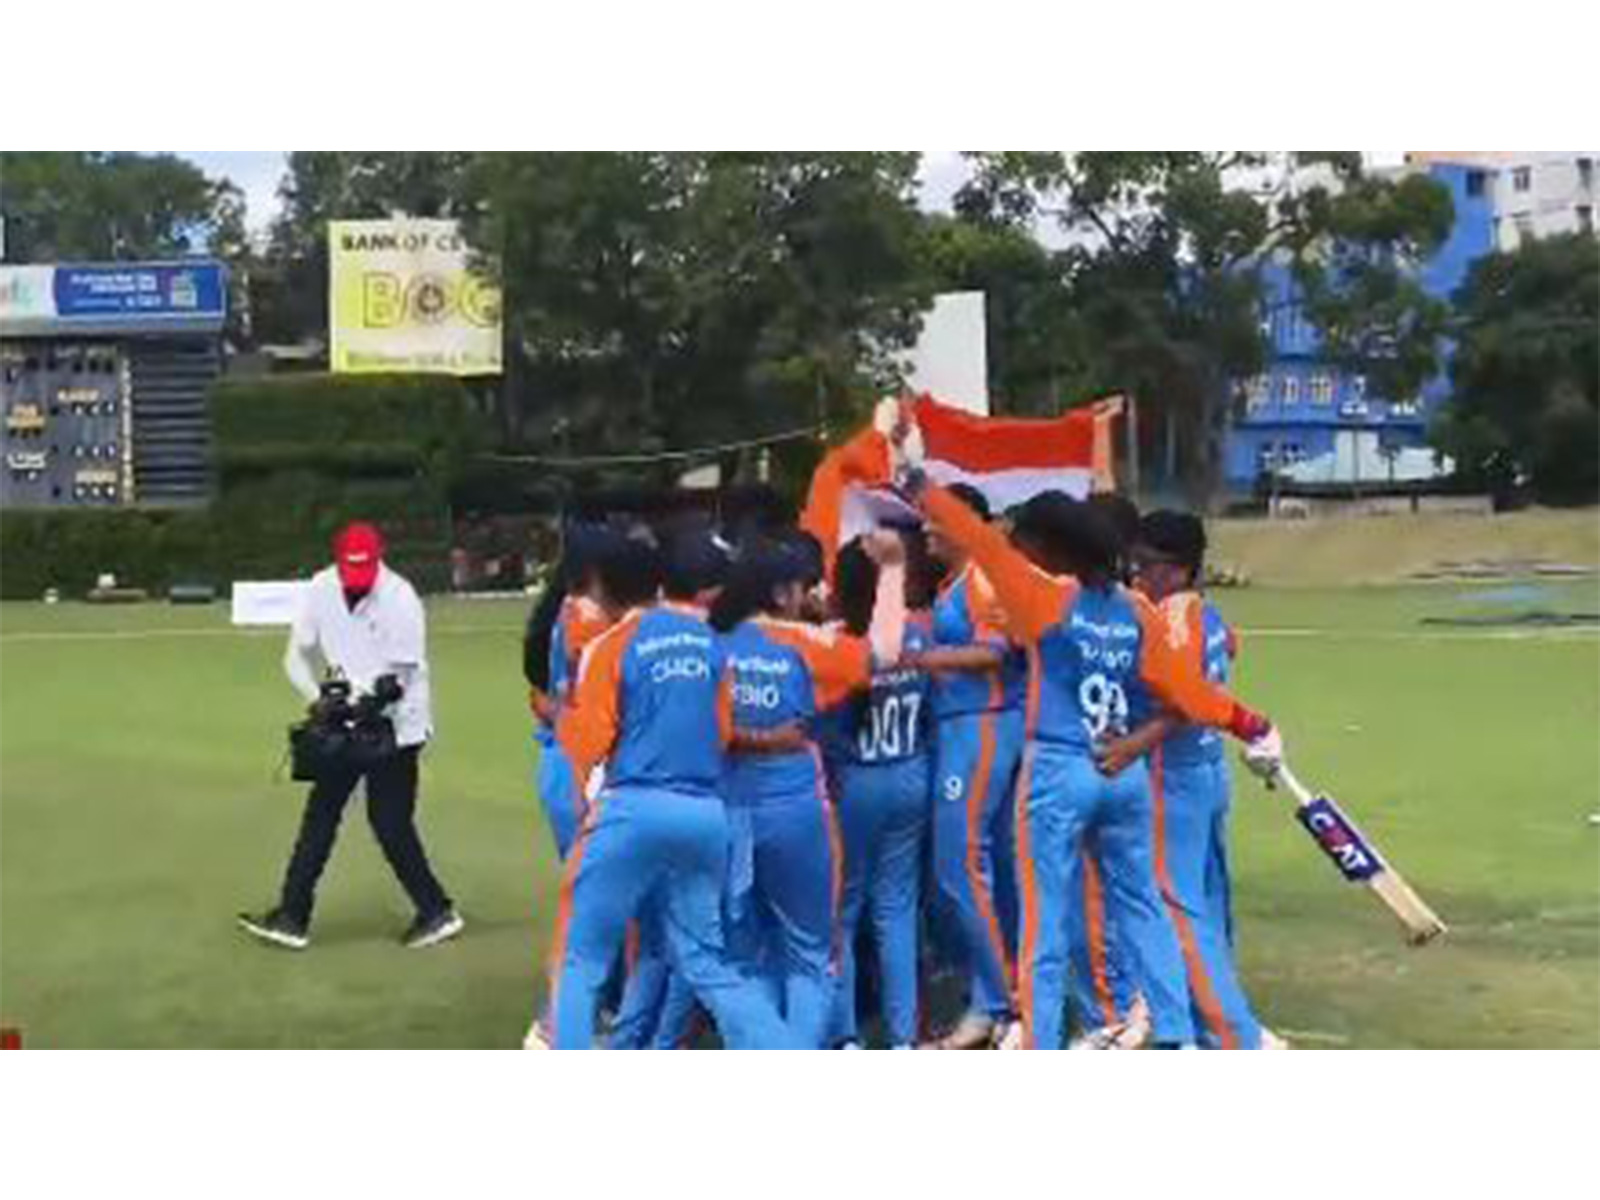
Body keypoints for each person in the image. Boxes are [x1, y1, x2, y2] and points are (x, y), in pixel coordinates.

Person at [902, 477, 1284, 1049]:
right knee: (1143, 907)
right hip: (1123, 770)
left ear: (1052, 550)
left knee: (1045, 919)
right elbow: (1186, 691)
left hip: (1059, 768)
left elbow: (977, 539)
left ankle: (1042, 1042)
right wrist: (1252, 724)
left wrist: (915, 483)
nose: (1021, 553)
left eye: (1029, 544)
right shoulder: (1135, 608)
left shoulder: (1044, 598)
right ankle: (1175, 1036)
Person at [543, 531, 795, 1049]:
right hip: (704, 814)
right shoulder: (708, 642)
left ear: (599, 586)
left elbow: (588, 744)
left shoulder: (606, 647)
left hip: (632, 809)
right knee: (708, 960)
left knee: (581, 959)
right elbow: (723, 732)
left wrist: (561, 707)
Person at [713, 530, 908, 1048]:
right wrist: (891, 569)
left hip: (725, 814)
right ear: (781, 593)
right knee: (809, 951)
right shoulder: (806, 645)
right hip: (796, 811)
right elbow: (883, 653)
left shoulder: (713, 646)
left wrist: (745, 737)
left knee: (742, 954)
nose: (810, 596)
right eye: (802, 587)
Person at [1092, 510, 1279, 1049]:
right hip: (1206, 772)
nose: (1137, 575)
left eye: (1147, 565)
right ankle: (1220, 1019)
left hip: (1170, 775)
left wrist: (1131, 745)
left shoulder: (1172, 617)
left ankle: (1233, 1035)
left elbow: (1185, 699)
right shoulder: (1211, 615)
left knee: (1177, 909)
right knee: (1208, 900)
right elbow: (1225, 659)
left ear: (1179, 569)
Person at [239, 522, 462, 951]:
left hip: (398, 726)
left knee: (389, 822)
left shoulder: (400, 597)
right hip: (344, 723)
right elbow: (295, 656)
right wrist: (318, 701)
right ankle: (293, 915)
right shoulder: (321, 588)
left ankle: (435, 911)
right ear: (338, 562)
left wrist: (366, 709)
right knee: (321, 815)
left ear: (379, 560)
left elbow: (400, 677)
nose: (355, 583)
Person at [912, 483, 1026, 1049]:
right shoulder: (956, 582)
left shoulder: (983, 576)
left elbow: (996, 650)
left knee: (960, 865)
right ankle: (997, 997)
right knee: (990, 868)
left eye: (935, 521)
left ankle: (1003, 1003)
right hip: (966, 726)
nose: (926, 530)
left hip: (982, 724)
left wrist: (917, 659)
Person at [819, 536, 933, 1049]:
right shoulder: (917, 636)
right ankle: (904, 1037)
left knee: (842, 912)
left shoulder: (836, 644)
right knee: (896, 909)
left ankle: (845, 1036)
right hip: (910, 773)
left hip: (856, 782)